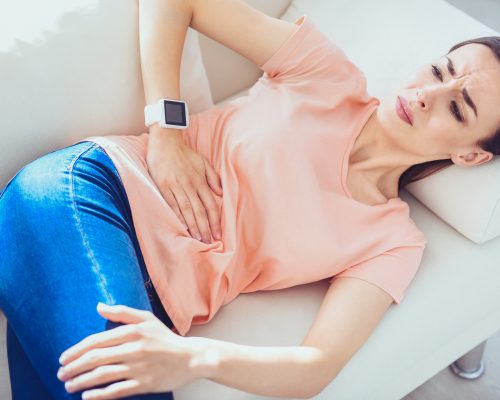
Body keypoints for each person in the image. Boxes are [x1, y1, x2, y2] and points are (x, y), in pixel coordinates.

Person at [1, 0, 499, 399]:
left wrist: (193, 357)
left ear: (471, 155)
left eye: (458, 108)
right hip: (94, 194)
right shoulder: (327, 75)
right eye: (440, 70)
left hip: (155, 307)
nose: (428, 95)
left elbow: (316, 365)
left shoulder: (392, 241)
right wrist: (168, 133)